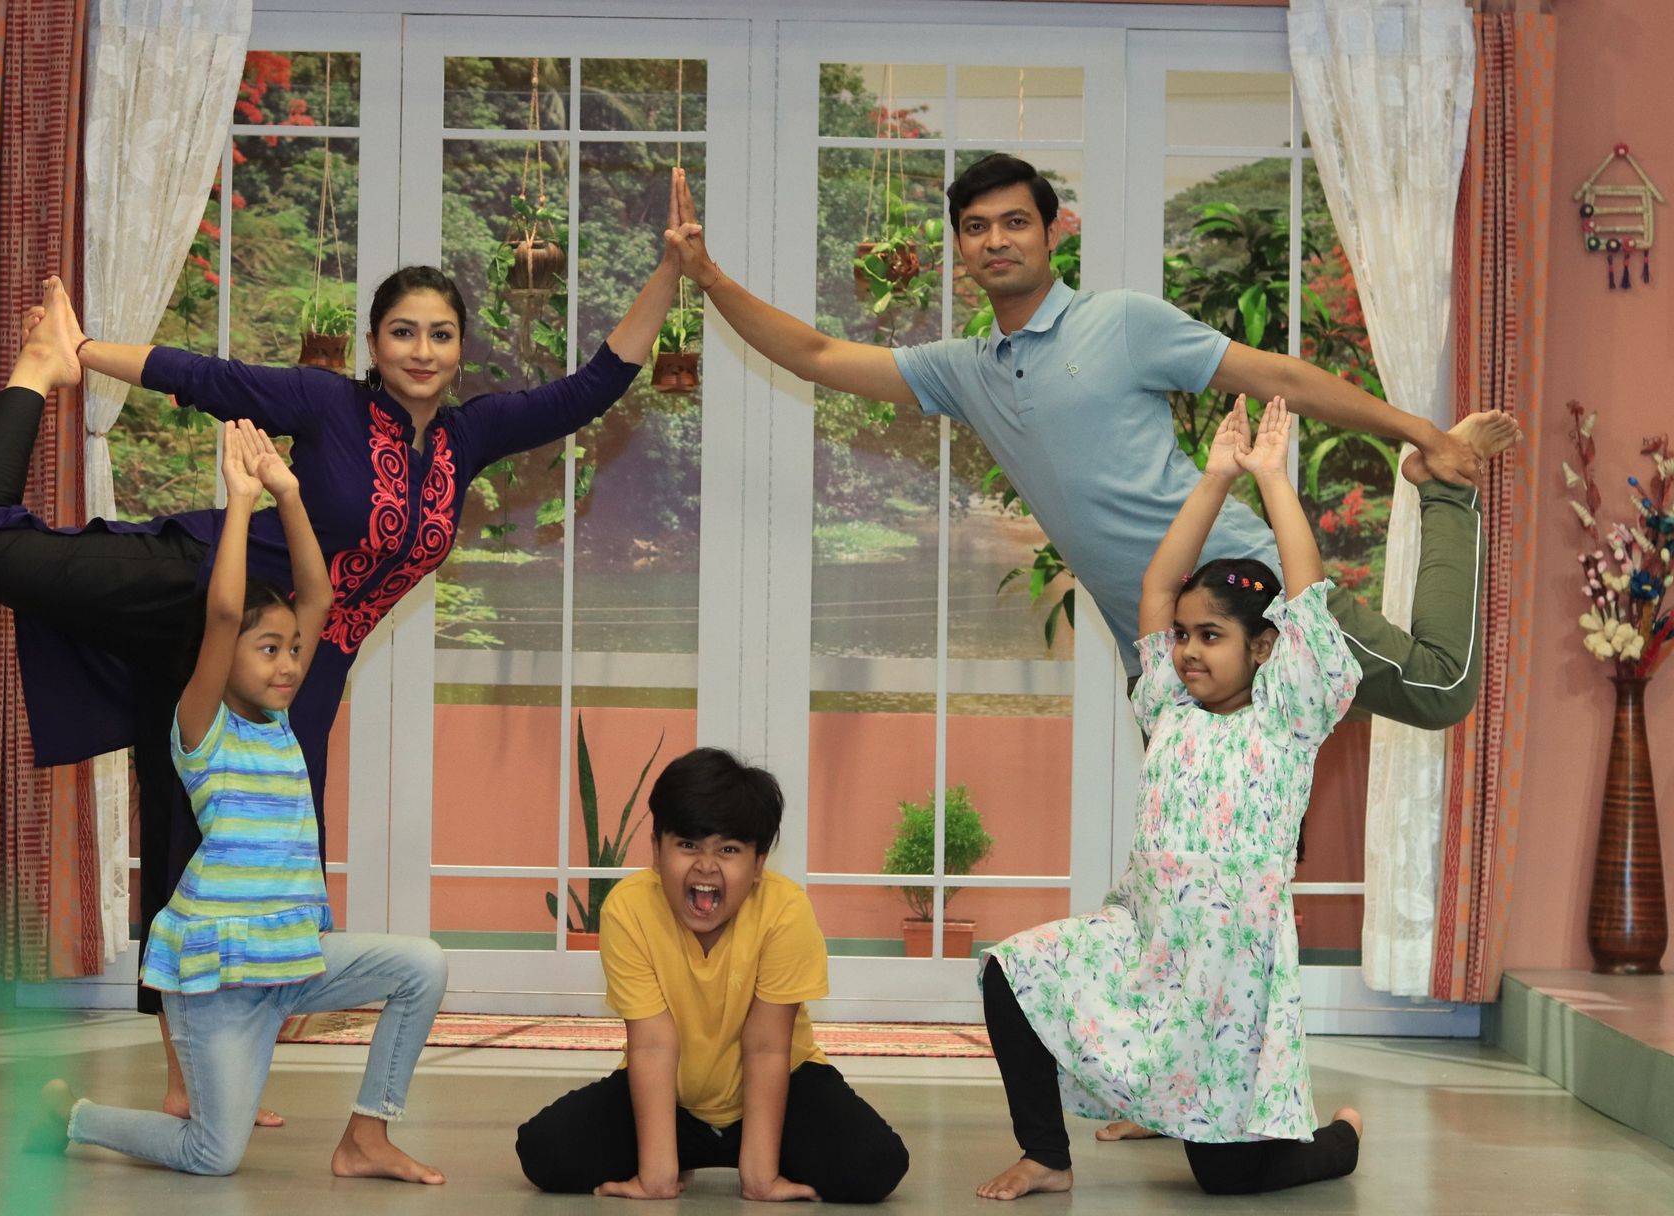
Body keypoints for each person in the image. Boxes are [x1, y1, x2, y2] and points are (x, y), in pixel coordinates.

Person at [0, 174, 685, 1124]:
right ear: (373, 344)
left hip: (300, 668)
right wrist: (79, 352)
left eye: (439, 334)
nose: (422, 350)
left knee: (232, 851)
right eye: (402, 332)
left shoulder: (470, 437)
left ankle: (194, 1081)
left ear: (461, 348)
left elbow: (594, 386)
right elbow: (206, 377)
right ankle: (36, 372)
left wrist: (670, 271)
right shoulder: (329, 405)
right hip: (200, 586)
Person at [660, 155, 1520, 730]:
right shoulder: (964, 369)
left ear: (1051, 231)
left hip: (1245, 587)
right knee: (1200, 856)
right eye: (977, 227)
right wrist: (708, 278)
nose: (997, 240)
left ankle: (1444, 486)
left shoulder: (1123, 323)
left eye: (1015, 222)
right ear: (960, 247)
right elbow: (816, 355)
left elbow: (1279, 377)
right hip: (1156, 640)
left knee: (1436, 690)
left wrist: (1421, 434)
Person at [30, 389, 449, 1182]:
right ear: (226, 659)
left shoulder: (280, 723)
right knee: (213, 1154)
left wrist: (289, 494)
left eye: (292, 650)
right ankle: (75, 1117)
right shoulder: (202, 727)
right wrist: (240, 505)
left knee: (421, 965)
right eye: (269, 650)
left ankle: (367, 1136)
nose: (288, 664)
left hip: (292, 961)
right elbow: (223, 613)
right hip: (218, 980)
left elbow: (318, 596)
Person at [977, 397, 1368, 1201]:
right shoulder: (1168, 707)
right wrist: (1214, 479)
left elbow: (1308, 603)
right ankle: (1047, 1155)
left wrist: (1271, 479)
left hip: (1229, 980)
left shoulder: (1288, 719)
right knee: (1011, 975)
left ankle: (1341, 1138)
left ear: (1265, 648)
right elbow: (1157, 585)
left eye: (1211, 636)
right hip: (1146, 941)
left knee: (1226, 1179)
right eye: (1184, 635)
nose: (1187, 650)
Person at [514, 748, 910, 1204]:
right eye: (687, 845)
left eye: (728, 850)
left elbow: (766, 1047)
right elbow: (652, 1045)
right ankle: (676, 1152)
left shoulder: (785, 911)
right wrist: (656, 1176)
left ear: (758, 864)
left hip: (778, 1089)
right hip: (671, 1099)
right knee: (545, 1152)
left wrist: (760, 1178)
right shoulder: (628, 909)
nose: (705, 865)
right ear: (657, 851)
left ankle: (757, 1153)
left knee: (874, 1165)